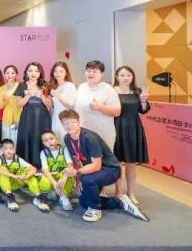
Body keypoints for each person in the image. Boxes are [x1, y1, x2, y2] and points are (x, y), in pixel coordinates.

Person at [59, 109, 148, 223]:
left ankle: (95, 209)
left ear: (78, 121)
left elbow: (96, 166)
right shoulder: (67, 138)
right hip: (93, 170)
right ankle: (120, 203)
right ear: (62, 124)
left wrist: (78, 173)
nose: (69, 125)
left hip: (110, 169)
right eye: (65, 123)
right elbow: (77, 161)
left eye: (72, 122)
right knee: (84, 202)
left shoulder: (89, 138)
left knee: (88, 180)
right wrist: (76, 180)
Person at [113, 66, 151, 205]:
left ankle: (131, 193)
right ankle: (118, 191)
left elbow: (143, 110)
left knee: (131, 163)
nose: (125, 78)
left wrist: (143, 100)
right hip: (116, 128)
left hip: (133, 128)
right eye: (122, 75)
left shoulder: (137, 91)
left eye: (128, 75)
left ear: (132, 77)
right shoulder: (111, 91)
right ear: (117, 77)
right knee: (117, 162)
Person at [74, 60, 121, 149]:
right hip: (83, 131)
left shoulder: (108, 89)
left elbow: (117, 112)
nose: (91, 73)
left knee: (102, 157)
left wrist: (100, 107)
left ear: (102, 74)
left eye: (94, 71)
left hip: (102, 133)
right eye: (88, 71)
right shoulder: (81, 87)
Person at [0, 138, 50, 213]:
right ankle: (9, 197)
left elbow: (33, 168)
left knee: (28, 171)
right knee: (1, 170)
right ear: (2, 150)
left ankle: (38, 197)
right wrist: (14, 176)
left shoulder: (17, 158)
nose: (8, 150)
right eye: (6, 148)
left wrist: (26, 176)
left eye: (11, 148)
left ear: (14, 150)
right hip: (6, 184)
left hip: (17, 182)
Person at [16, 62, 53, 170]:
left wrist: (41, 95)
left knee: (41, 138)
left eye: (37, 71)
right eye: (30, 70)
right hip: (27, 117)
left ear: (40, 73)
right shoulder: (22, 85)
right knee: (27, 138)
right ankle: (26, 165)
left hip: (43, 118)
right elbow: (19, 104)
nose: (33, 73)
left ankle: (43, 166)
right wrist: (28, 95)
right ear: (26, 72)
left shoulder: (45, 85)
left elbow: (50, 105)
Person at [38, 130, 75, 211]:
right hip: (52, 176)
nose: (49, 142)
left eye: (51, 138)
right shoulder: (43, 153)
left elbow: (70, 165)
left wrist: (64, 177)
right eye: (46, 140)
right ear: (44, 143)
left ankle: (63, 197)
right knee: (44, 179)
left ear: (56, 139)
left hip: (63, 175)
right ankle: (47, 195)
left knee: (68, 175)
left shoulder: (64, 149)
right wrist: (54, 184)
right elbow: (45, 170)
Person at [48, 62, 76, 142]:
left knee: (66, 141)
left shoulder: (70, 85)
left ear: (66, 73)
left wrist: (58, 96)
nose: (58, 74)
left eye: (61, 71)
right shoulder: (53, 86)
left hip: (66, 119)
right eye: (55, 71)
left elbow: (71, 106)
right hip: (55, 118)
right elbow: (52, 107)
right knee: (56, 141)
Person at [0, 65, 21, 143]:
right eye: (7, 73)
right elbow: (0, 106)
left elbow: (23, 105)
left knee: (17, 142)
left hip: (19, 119)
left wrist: (18, 120)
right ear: (4, 75)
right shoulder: (2, 88)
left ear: (16, 74)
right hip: (7, 118)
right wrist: (4, 98)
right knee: (6, 141)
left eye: (12, 73)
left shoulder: (21, 86)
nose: (10, 75)